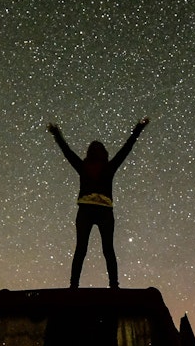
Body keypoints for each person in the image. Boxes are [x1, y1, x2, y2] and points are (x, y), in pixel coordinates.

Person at [47, 117, 149, 288]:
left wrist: (57, 134)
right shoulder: (98, 167)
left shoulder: (95, 167)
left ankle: (79, 285)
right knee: (96, 249)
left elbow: (125, 149)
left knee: (93, 249)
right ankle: (108, 285)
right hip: (98, 212)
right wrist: (57, 134)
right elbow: (68, 152)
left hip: (95, 212)